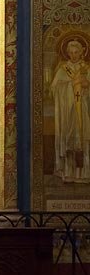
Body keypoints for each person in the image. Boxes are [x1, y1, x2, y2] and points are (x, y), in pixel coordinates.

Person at [52, 35, 90, 182]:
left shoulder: (86, 68)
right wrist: (71, 85)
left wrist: (85, 84)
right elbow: (54, 88)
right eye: (71, 53)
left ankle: (84, 174)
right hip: (67, 110)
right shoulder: (63, 69)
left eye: (76, 52)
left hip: (83, 110)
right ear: (67, 53)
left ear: (82, 52)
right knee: (68, 139)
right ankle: (68, 173)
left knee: (84, 139)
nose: (74, 55)